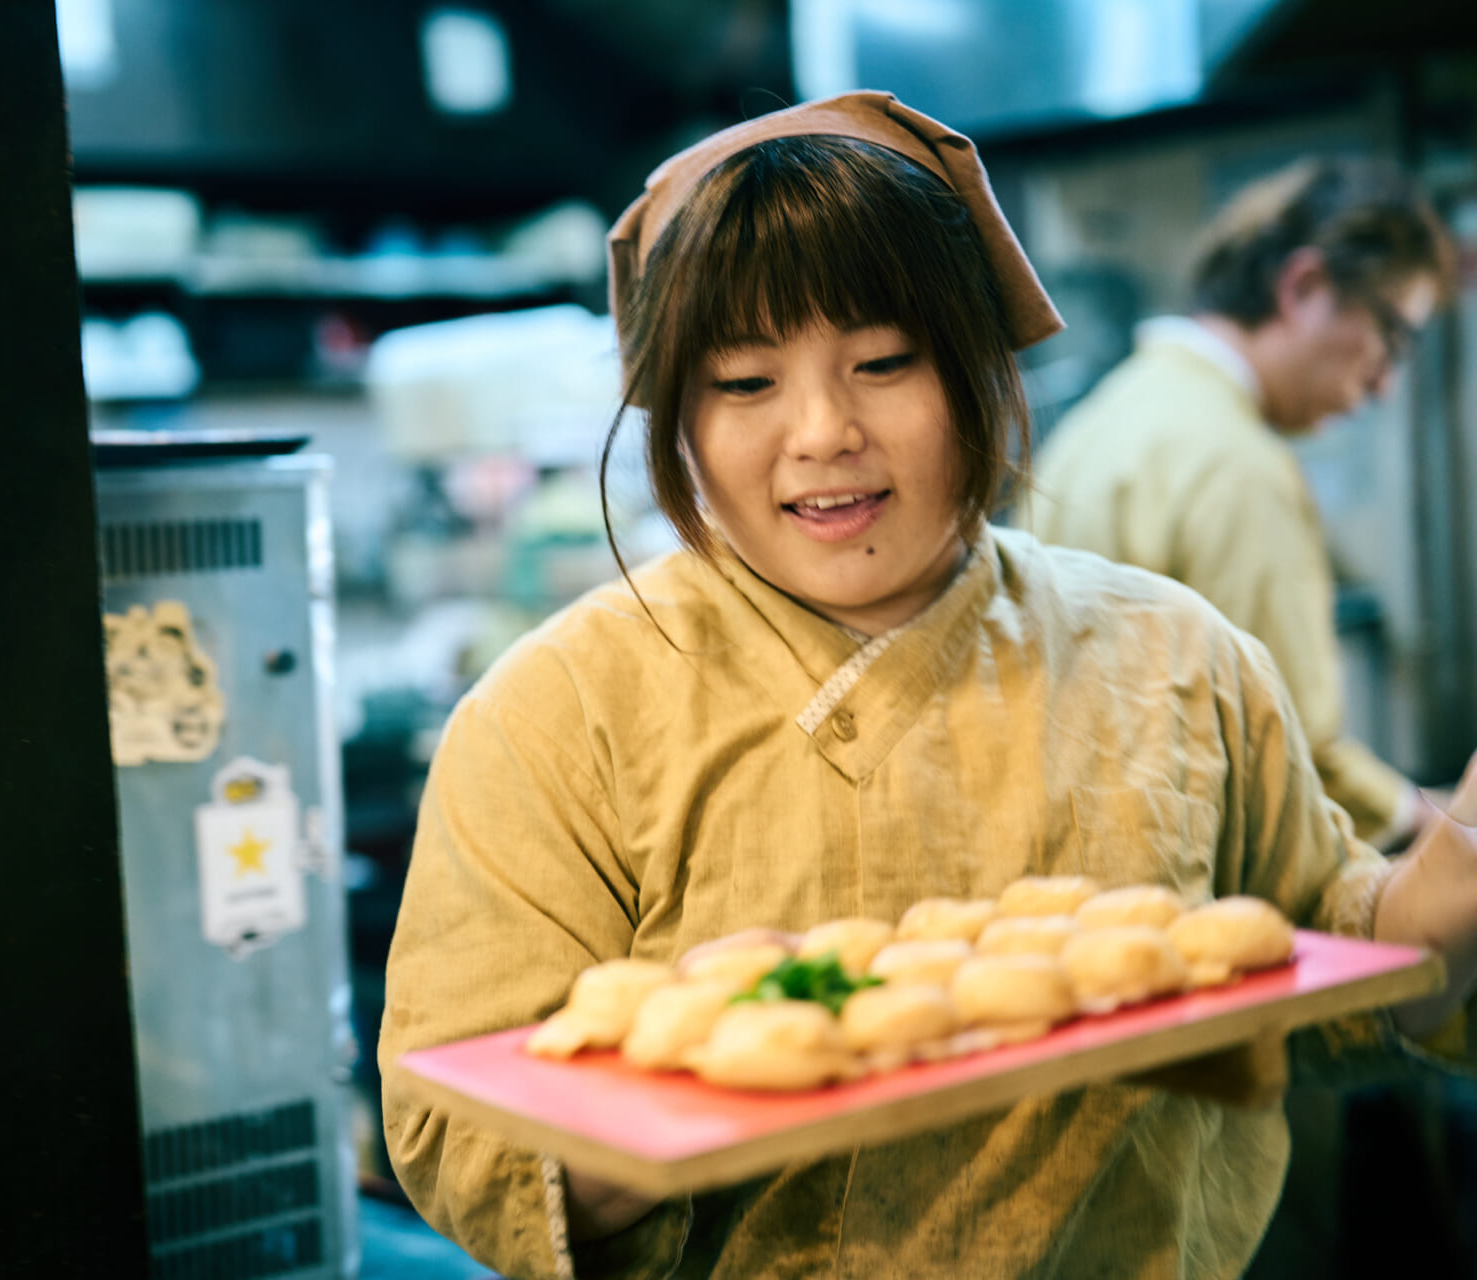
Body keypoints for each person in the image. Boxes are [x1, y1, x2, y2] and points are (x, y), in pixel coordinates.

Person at [378, 92, 1477, 1280]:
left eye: (884, 362)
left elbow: (1313, 963)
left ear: (975, 368)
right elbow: (456, 1127)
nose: (821, 431)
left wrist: (1452, 876)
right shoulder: (556, 712)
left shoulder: (1177, 654)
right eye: (745, 382)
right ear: (674, 418)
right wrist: (680, 1072)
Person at [1024, 160, 1463, 849]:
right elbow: (1294, 759)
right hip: (1199, 878)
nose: (1383, 384)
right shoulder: (1236, 465)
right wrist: (1446, 827)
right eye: (1392, 335)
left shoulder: (1104, 420)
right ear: (1305, 286)